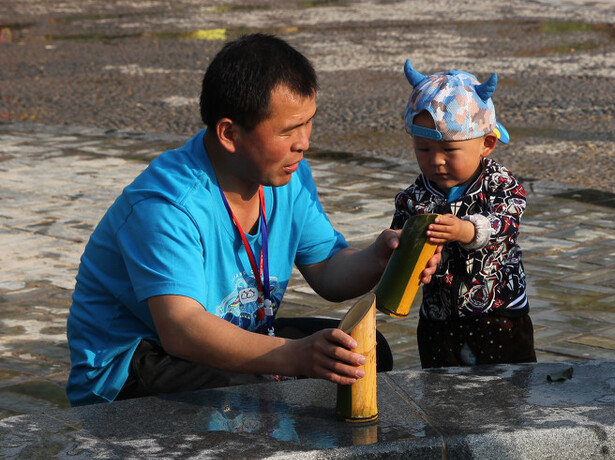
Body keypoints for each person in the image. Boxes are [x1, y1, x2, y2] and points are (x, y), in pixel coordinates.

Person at [66, 33, 422, 406]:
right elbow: (181, 329)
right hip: (133, 366)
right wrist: (295, 355)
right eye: (287, 131)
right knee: (251, 394)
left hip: (234, 334)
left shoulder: (287, 174)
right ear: (229, 134)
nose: (303, 143)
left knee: (362, 353)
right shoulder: (166, 204)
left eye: (308, 123)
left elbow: (328, 270)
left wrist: (381, 258)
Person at [391, 60, 535, 368]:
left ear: (487, 143)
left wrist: (467, 230)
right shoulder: (414, 198)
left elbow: (506, 222)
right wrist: (396, 245)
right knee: (441, 395)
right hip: (438, 319)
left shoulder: (500, 185)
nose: (436, 162)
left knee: (508, 394)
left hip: (499, 315)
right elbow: (398, 240)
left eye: (450, 151)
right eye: (424, 150)